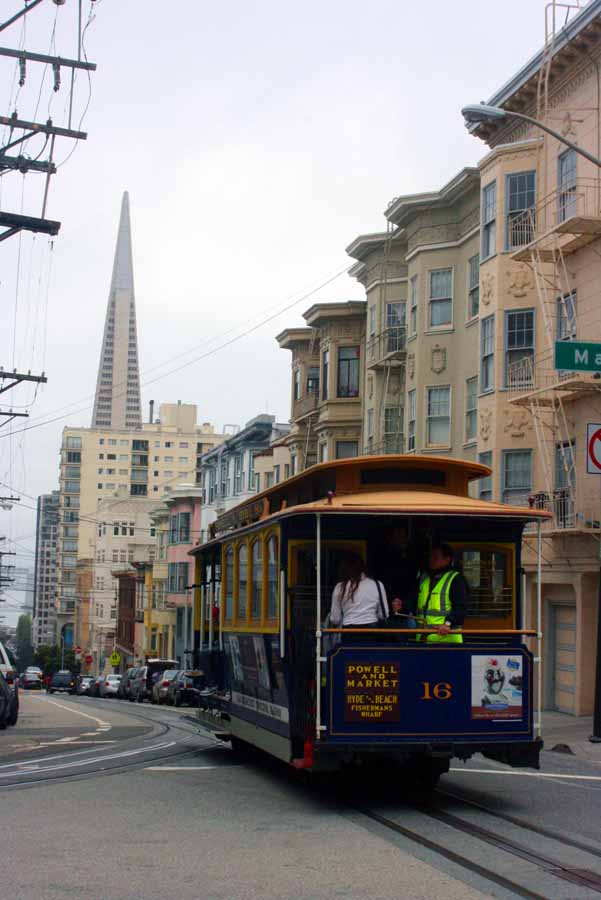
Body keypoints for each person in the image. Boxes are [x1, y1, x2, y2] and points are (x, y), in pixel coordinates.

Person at [413, 543, 469, 643]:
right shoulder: (423, 577)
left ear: (447, 560)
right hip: (423, 639)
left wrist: (448, 623)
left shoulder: (455, 579)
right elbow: (413, 600)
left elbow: (461, 607)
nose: (431, 560)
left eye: (435, 557)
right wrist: (402, 604)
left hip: (446, 640)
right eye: (431, 556)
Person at [329, 553, 388, 642]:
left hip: (349, 632)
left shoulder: (340, 587)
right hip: (372, 632)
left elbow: (335, 619)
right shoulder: (377, 585)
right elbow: (384, 615)